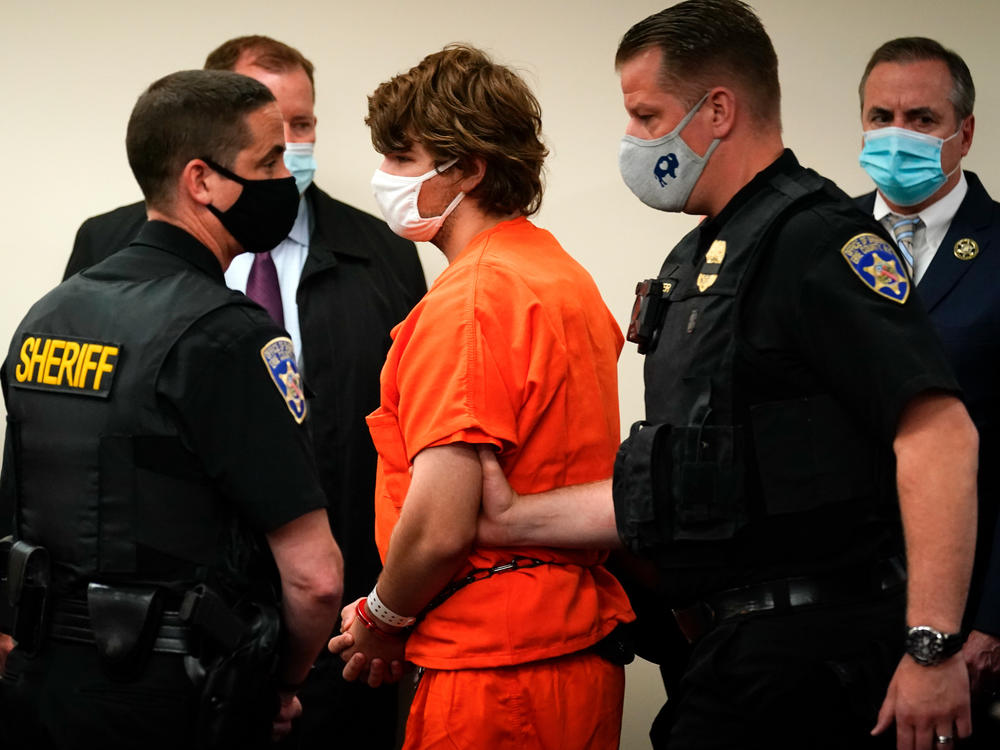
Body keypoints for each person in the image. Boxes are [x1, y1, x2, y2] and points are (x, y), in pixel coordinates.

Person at [475, 3, 978, 749]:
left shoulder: (818, 239)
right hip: (726, 656)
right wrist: (507, 518)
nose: (634, 141)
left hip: (813, 662)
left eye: (647, 117)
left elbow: (940, 436)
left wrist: (930, 648)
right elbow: (682, 483)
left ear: (717, 111)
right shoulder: (700, 259)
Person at [62, 36, 425, 748]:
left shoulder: (381, 251)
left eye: (304, 124)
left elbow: (406, 435)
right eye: (270, 136)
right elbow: (70, 434)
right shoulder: (110, 246)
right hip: (163, 633)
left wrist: (392, 605)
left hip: (344, 620)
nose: (291, 148)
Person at [0, 70, 343, 749]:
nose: (287, 177)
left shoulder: (49, 313)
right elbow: (316, 577)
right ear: (201, 181)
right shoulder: (229, 333)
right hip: (178, 695)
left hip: (42, 689)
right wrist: (279, 685)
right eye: (267, 161)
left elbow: (17, 505)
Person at [327, 44, 635, 749]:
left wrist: (381, 617)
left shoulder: (470, 300)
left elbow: (440, 525)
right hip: (572, 655)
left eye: (403, 160)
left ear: (468, 168)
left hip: (494, 670)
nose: (385, 178)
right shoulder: (560, 275)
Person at [856, 36, 1000, 746]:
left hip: (972, 615)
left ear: (963, 132)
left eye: (920, 118)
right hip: (838, 614)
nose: (897, 136)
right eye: (880, 116)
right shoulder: (825, 242)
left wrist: (994, 622)